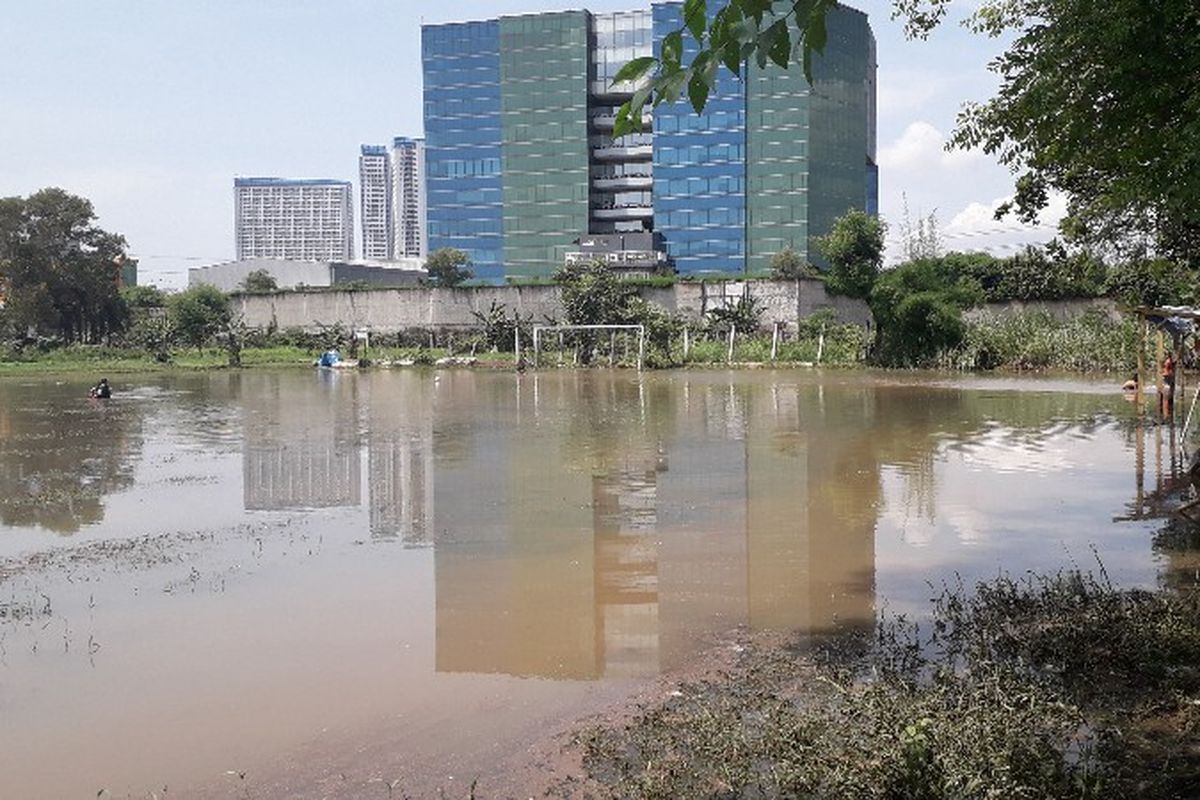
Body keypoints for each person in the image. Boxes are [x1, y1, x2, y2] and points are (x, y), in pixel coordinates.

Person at [1160, 351, 1176, 419]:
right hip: (1167, 379)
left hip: (1168, 379)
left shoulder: (1170, 361)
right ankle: (1165, 414)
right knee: (1166, 397)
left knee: (1168, 397)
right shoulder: (1168, 362)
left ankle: (1167, 413)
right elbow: (1166, 372)